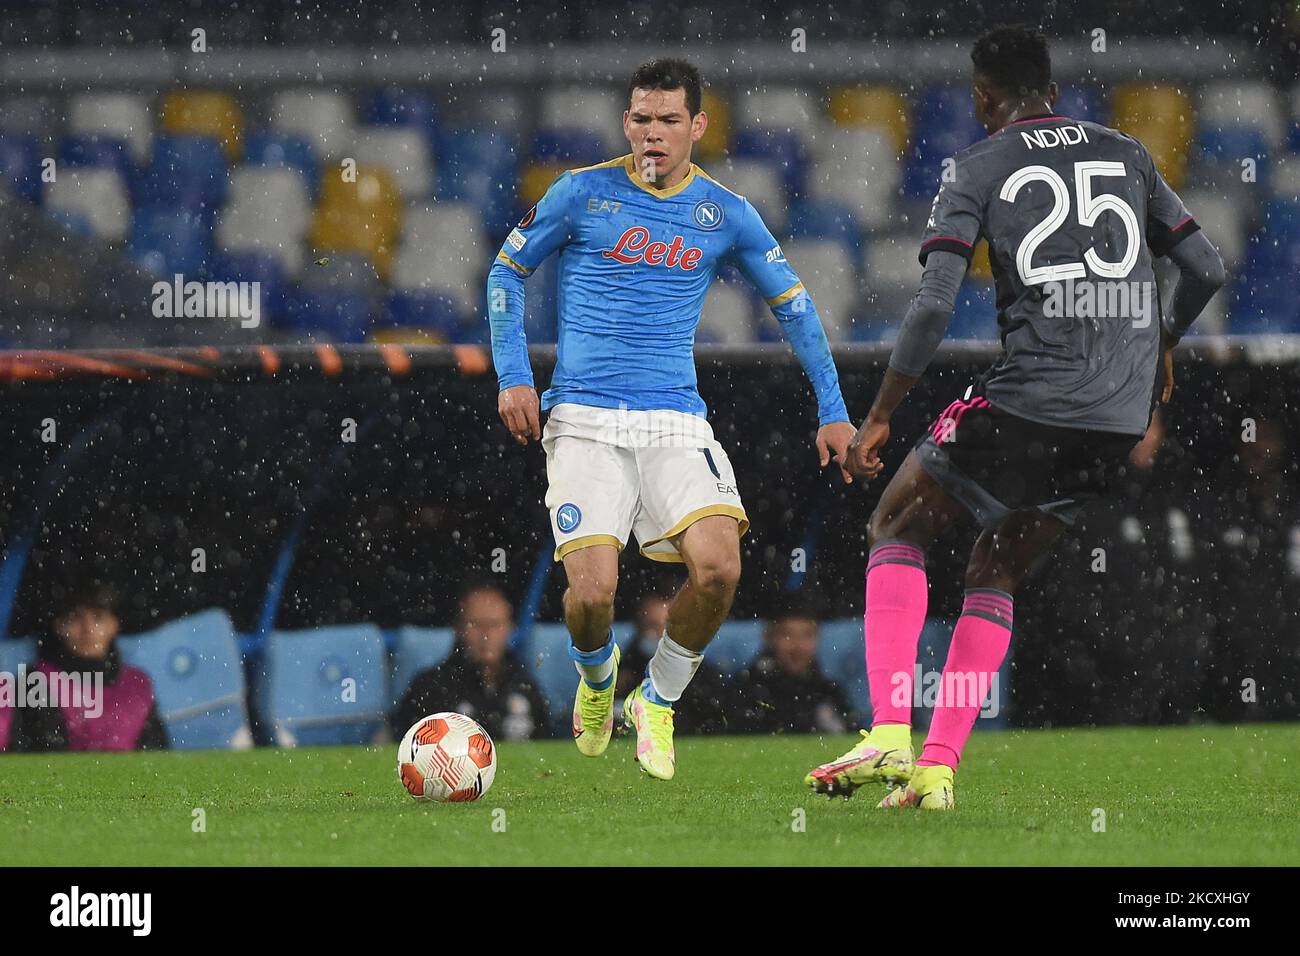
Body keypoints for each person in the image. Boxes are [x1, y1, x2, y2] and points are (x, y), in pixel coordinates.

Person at [804, 24, 1226, 809]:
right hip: (1119, 415)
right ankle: (937, 772)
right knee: (994, 569)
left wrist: (882, 413)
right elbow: (1206, 265)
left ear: (983, 98)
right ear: (1055, 93)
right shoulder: (1127, 151)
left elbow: (932, 306)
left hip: (1034, 393)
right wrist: (1162, 339)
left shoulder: (978, 164)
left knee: (895, 526)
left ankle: (891, 732)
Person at [487, 57, 856, 779]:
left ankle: (655, 699)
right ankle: (599, 679)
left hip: (674, 420)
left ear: (698, 126)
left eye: (667, 121)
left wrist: (834, 409)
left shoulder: (726, 213)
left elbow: (797, 307)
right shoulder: (580, 194)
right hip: (585, 418)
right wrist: (512, 377)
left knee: (719, 568)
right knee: (591, 596)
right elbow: (506, 270)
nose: (652, 134)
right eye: (640, 119)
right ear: (627, 122)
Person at [0, 582, 168, 752]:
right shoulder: (37, 680)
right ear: (59, 626)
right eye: (75, 618)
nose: (87, 629)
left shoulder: (137, 683)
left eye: (97, 617)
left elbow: (156, 752)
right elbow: (43, 755)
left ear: (113, 625)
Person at [394, 583, 549, 742]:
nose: (486, 635)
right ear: (459, 629)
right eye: (476, 624)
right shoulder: (430, 688)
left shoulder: (525, 686)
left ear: (509, 629)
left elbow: (547, 747)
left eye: (495, 625)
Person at [616, 587, 732, 734]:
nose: (660, 634)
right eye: (653, 626)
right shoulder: (623, 674)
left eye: (667, 627)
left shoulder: (705, 676)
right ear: (639, 628)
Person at [732, 597, 850, 735]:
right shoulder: (748, 688)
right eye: (787, 635)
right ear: (769, 638)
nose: (797, 646)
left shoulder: (829, 691)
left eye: (807, 636)